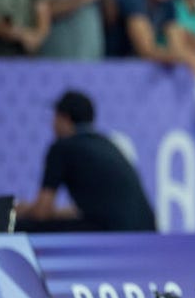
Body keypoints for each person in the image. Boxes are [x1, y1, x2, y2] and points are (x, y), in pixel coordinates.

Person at [15, 90, 157, 232]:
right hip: (148, 232)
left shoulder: (62, 148)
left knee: (20, 228)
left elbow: (41, 213)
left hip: (114, 234)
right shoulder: (108, 144)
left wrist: (19, 210)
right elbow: (92, 210)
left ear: (64, 118)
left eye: (55, 117)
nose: (52, 123)